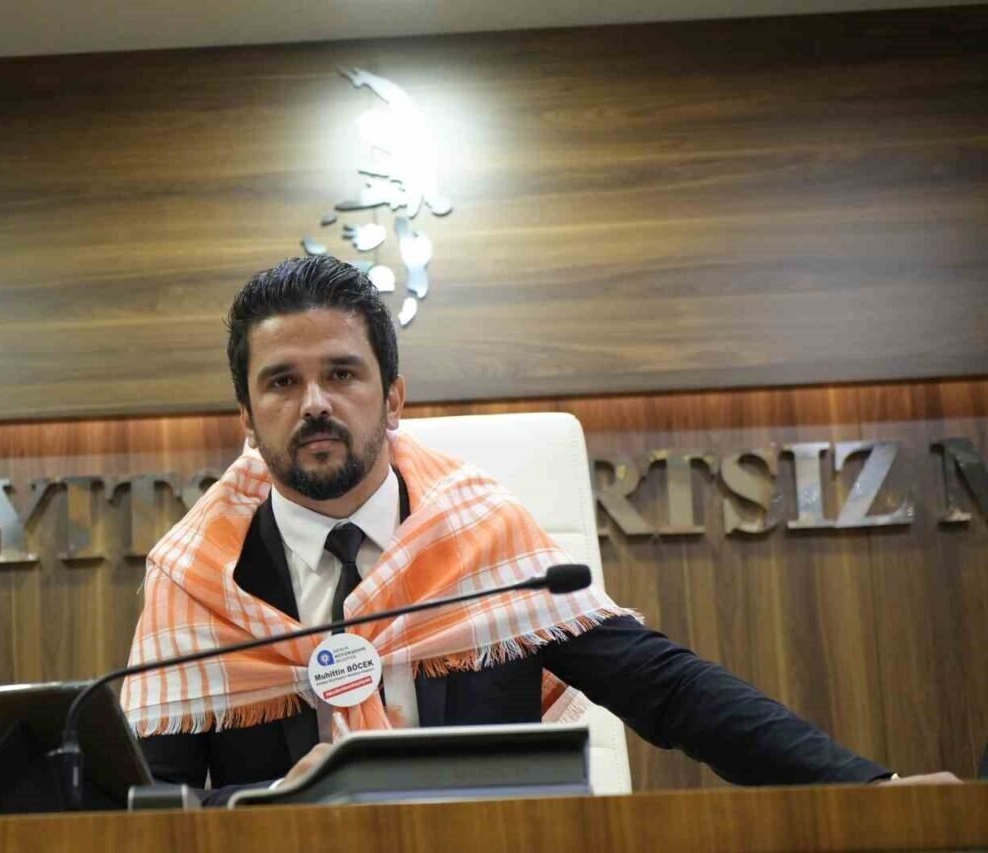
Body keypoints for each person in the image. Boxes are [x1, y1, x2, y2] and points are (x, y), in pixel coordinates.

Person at [121, 255, 956, 805]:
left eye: (342, 373)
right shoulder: (198, 580)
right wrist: (273, 806)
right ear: (246, 414)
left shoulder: (486, 541)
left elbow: (665, 689)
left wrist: (867, 789)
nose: (315, 403)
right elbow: (146, 806)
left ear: (394, 397)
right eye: (281, 382)